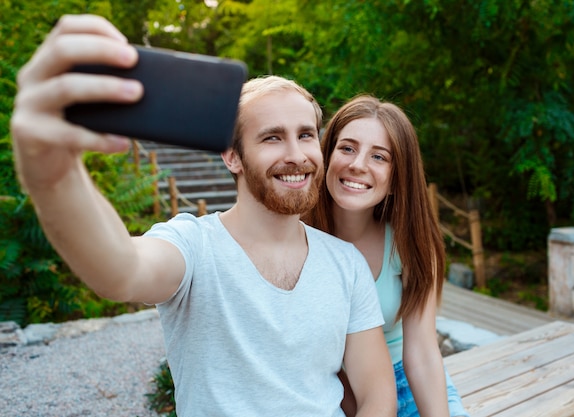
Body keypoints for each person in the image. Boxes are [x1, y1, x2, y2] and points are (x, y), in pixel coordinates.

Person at [10, 15, 397, 417]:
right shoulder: (193, 246)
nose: (297, 155)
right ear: (232, 156)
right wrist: (54, 174)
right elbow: (119, 270)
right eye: (271, 137)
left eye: (305, 135)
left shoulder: (346, 264)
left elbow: (377, 397)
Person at [304, 95, 470, 417]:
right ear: (327, 155)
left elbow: (422, 351)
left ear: (396, 179)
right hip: (323, 394)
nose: (358, 164)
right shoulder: (294, 237)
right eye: (347, 148)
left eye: (379, 157)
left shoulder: (408, 243)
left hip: (402, 384)